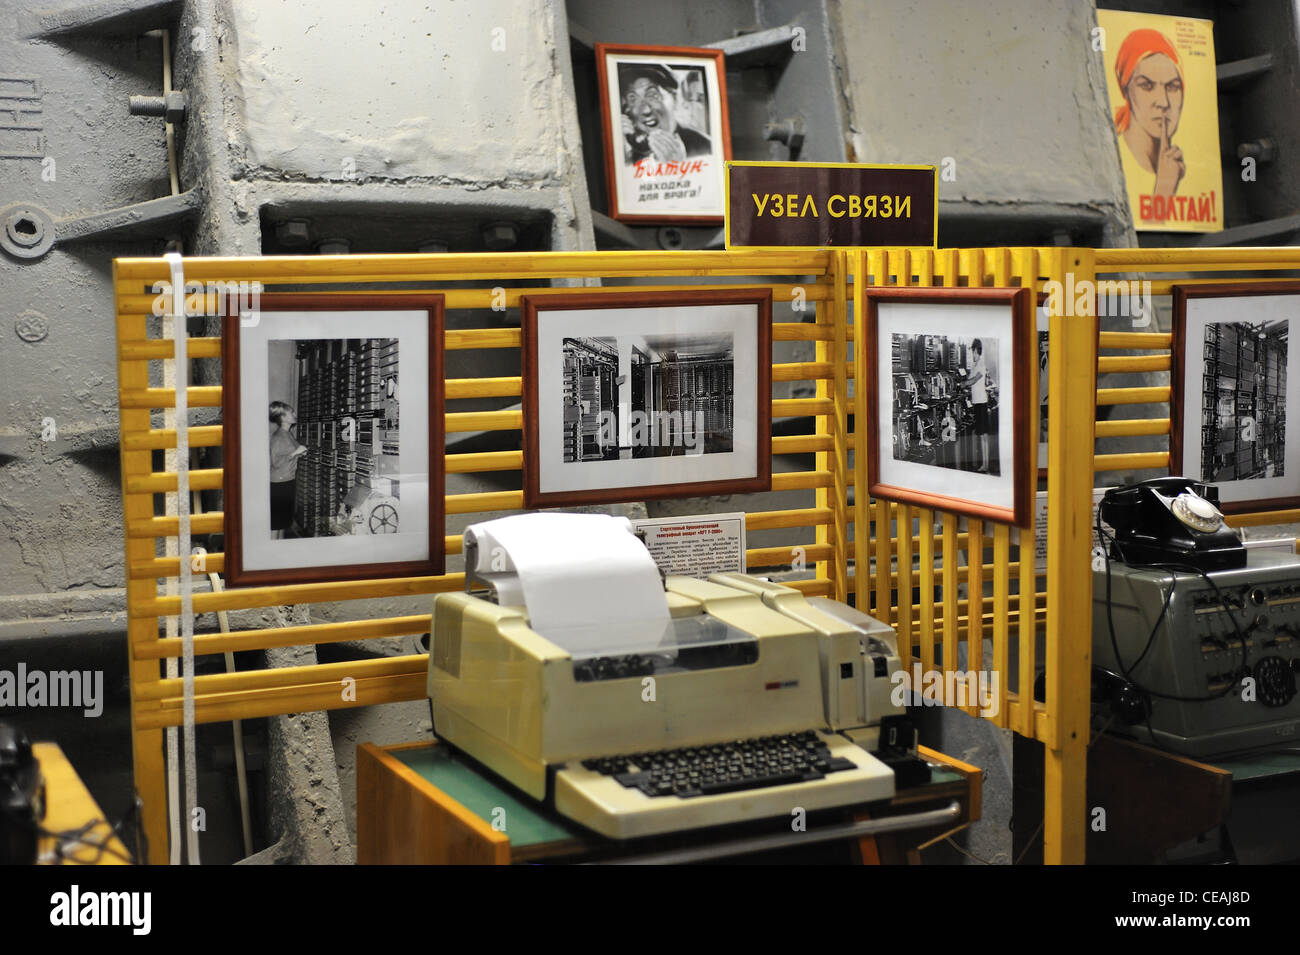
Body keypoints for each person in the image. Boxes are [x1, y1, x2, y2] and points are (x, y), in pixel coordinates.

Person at [1113, 28, 1185, 199]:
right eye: (1146, 86)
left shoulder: (1182, 165)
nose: (1163, 102)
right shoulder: (1112, 163)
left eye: (1172, 87)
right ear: (1125, 90)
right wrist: (1164, 190)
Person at [617, 62, 711, 165]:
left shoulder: (705, 148)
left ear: (675, 99)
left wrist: (678, 167)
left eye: (653, 95)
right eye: (633, 99)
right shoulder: (628, 152)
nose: (645, 110)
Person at [269, 401, 308, 540]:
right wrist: (295, 453)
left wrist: (299, 452)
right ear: (283, 417)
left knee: (281, 523)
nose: (295, 414)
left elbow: (293, 450)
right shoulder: (278, 437)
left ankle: (276, 550)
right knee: (275, 525)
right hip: (279, 484)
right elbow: (276, 463)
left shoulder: (287, 433)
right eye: (291, 412)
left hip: (287, 481)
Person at [962, 340, 990, 474]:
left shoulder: (981, 365)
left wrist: (963, 384)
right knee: (981, 435)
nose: (972, 355)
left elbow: (974, 380)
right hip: (977, 402)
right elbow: (969, 378)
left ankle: (986, 464)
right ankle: (985, 464)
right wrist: (964, 381)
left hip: (981, 403)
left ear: (976, 350)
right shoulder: (975, 365)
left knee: (983, 435)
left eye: (972, 352)